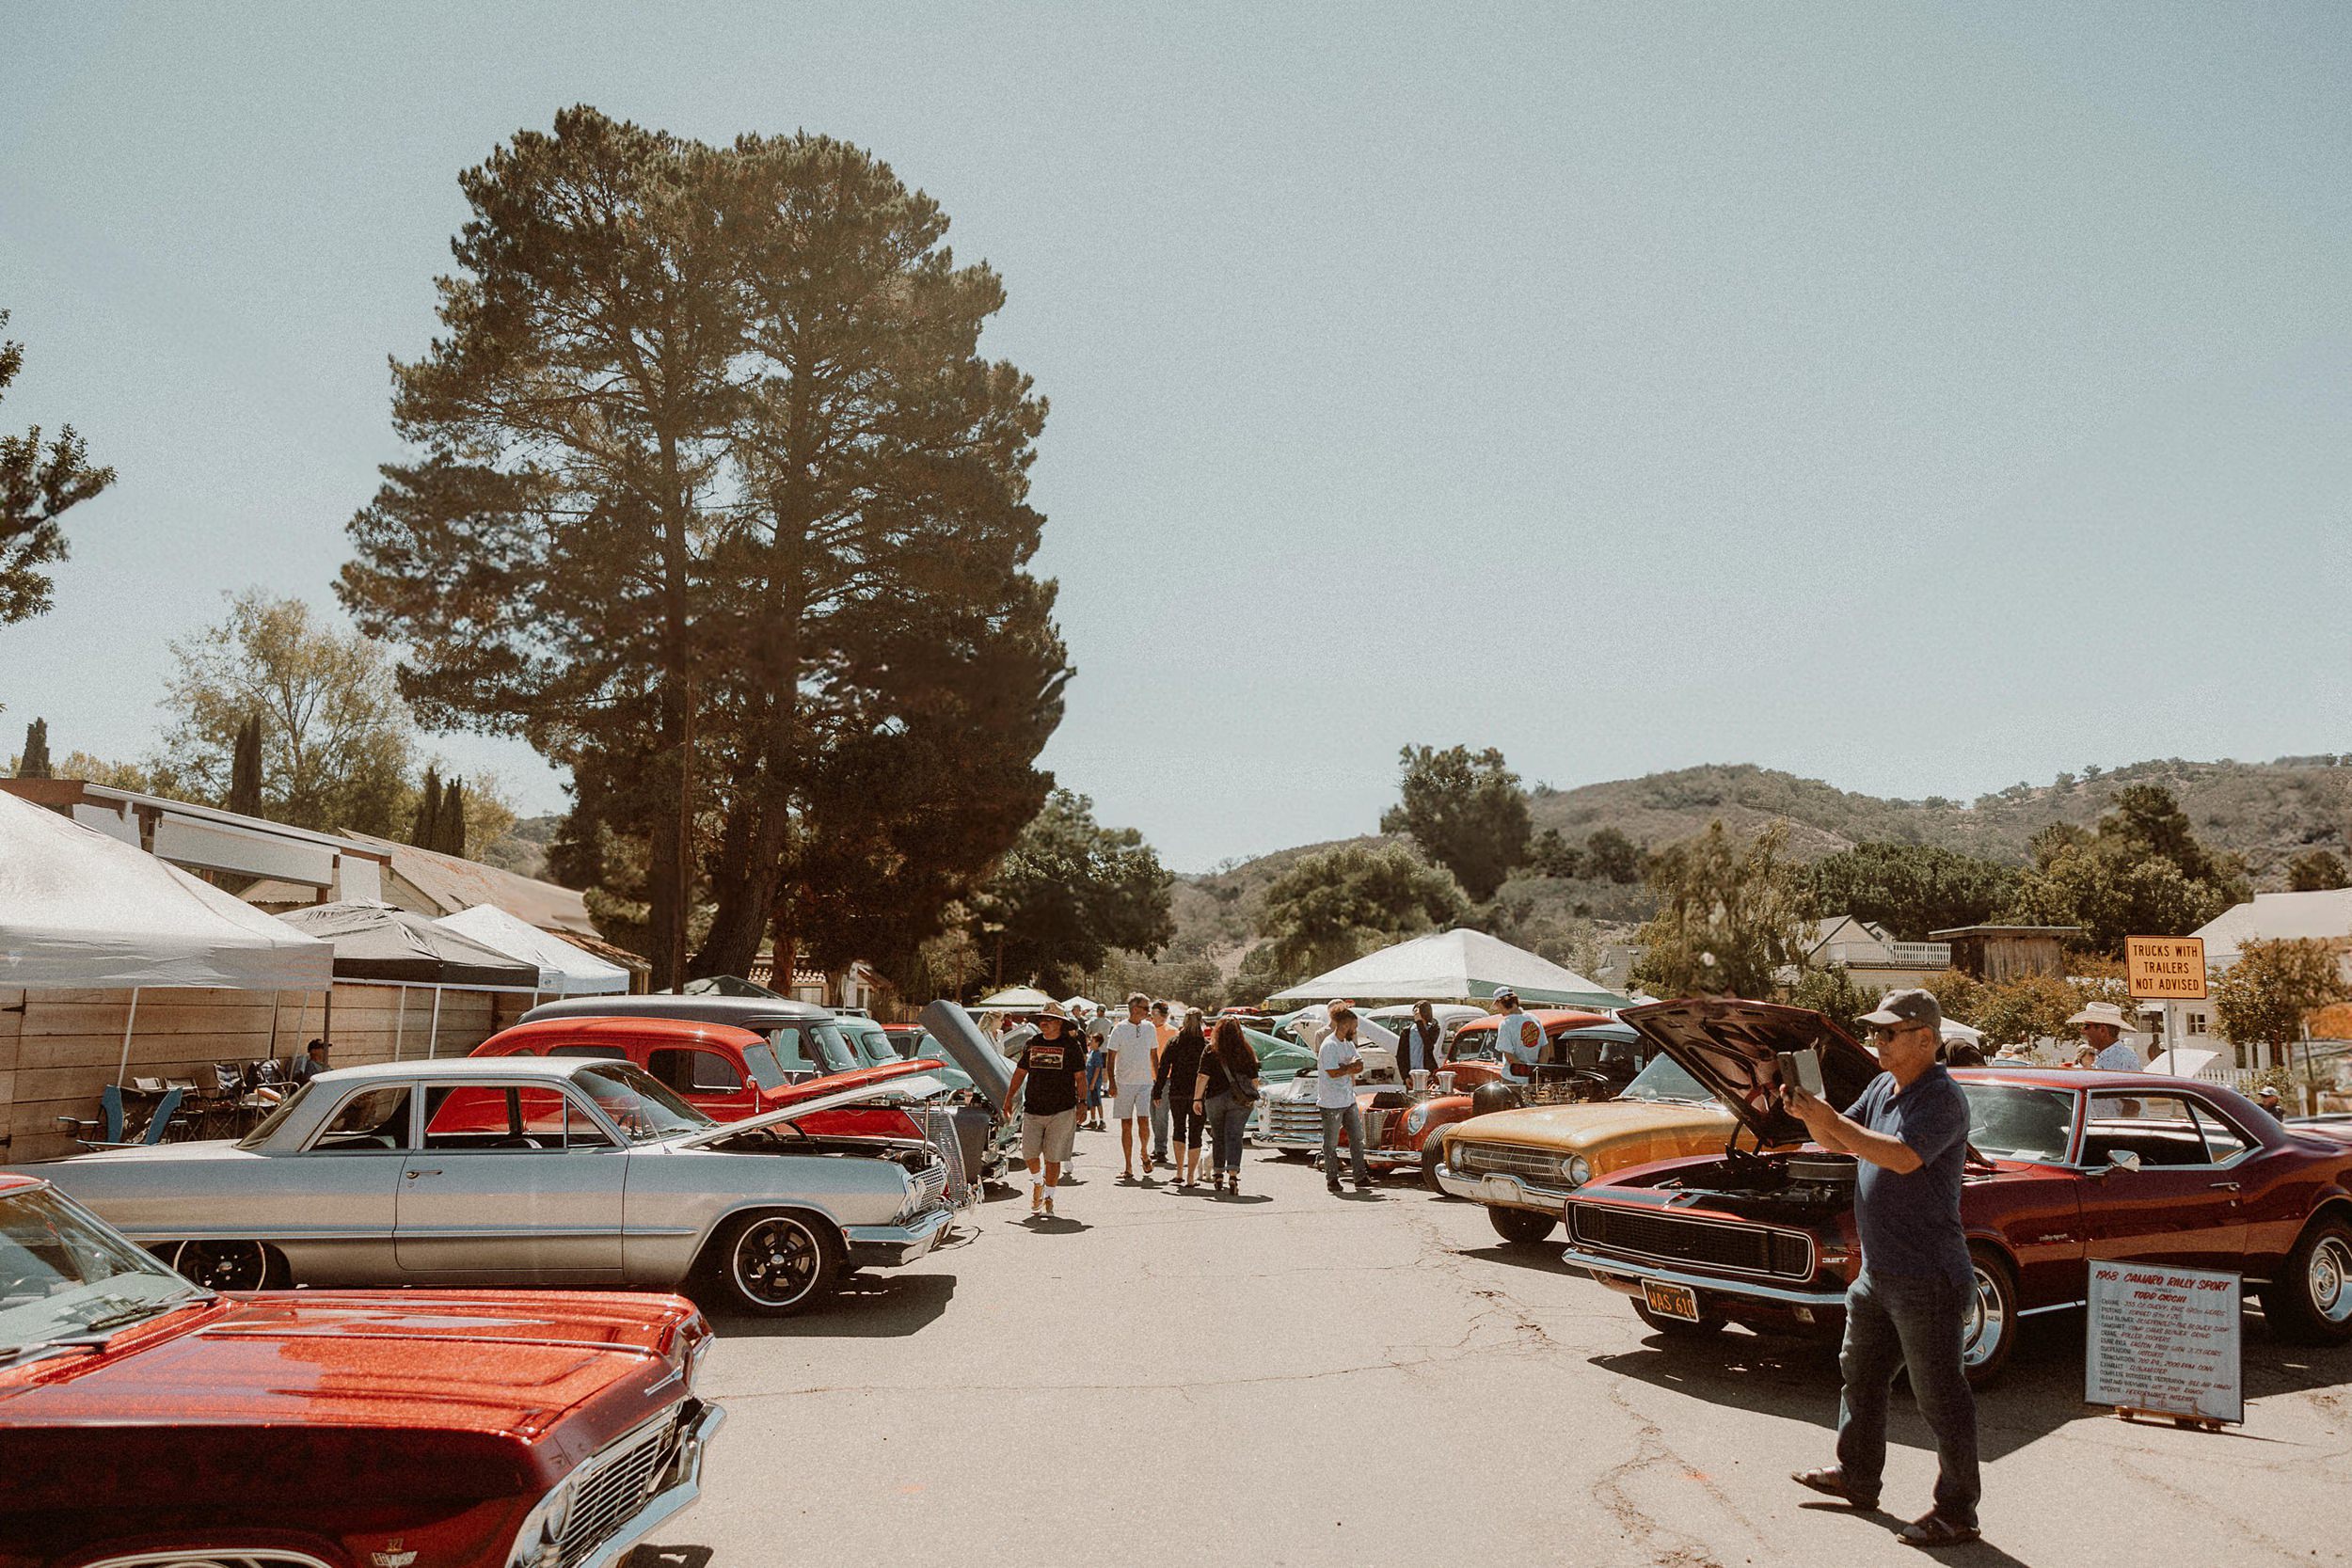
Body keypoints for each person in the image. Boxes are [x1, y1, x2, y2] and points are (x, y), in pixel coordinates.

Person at [1784, 988, 1980, 1549]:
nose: (1877, 1041)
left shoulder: (1941, 1097)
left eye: (1887, 1033)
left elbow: (1898, 1156)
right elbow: (1835, 1142)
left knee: (1941, 1398)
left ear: (1926, 1039)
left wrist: (1827, 1119)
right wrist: (1806, 1110)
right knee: (1860, 1378)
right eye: (1875, 1031)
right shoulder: (1881, 1086)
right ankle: (1857, 1477)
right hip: (1879, 1274)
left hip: (1928, 1276)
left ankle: (1957, 1512)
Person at [1005, 1005, 1090, 1218]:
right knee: (1029, 1153)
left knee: (1053, 1158)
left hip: (1062, 1109)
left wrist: (1083, 1103)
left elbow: (1080, 1077)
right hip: (1033, 1108)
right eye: (1042, 1019)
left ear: (1060, 1023)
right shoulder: (1033, 1043)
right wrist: (1009, 1098)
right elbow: (1020, 1072)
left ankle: (1049, 1197)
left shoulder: (1071, 1046)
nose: (1044, 1022)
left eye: (1050, 1019)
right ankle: (1037, 1183)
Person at [1315, 1005, 1375, 1195]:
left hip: (1348, 1099)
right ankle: (1332, 1178)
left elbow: (1359, 1063)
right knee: (1331, 1143)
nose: (1355, 1031)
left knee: (1357, 1139)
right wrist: (1348, 1068)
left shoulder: (1347, 1044)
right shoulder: (1329, 1045)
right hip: (1331, 1102)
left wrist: (1346, 1067)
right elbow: (1333, 1072)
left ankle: (1360, 1175)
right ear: (1344, 1025)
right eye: (1353, 1027)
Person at [1197, 1019, 1259, 1195]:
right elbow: (1254, 1081)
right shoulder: (1246, 1051)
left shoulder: (1210, 1050)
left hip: (1214, 1099)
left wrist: (1197, 1099)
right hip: (1239, 1101)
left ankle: (1217, 1174)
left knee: (1218, 1136)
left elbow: (1202, 1077)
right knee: (1235, 1136)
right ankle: (1232, 1174)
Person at [1104, 993, 1160, 1179]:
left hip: (1145, 1082)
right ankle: (1128, 1166)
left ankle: (1144, 1152)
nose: (1148, 1011)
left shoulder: (1150, 1028)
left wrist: (1158, 1083)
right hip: (1124, 1084)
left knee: (1144, 1121)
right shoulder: (1119, 1029)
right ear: (1135, 1009)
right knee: (1126, 1125)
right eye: (1145, 1008)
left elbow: (1154, 1056)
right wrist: (1111, 1083)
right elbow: (1110, 1058)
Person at [1155, 1010, 1208, 1186]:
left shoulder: (1174, 1042)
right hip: (1198, 1096)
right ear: (1201, 1022)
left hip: (1177, 1092)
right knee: (1195, 1133)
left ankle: (1179, 1172)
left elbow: (1163, 1068)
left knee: (1179, 1129)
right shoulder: (1205, 1045)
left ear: (1184, 1021)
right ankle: (1191, 1177)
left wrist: (1157, 1091)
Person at [1491, 990, 1545, 1086]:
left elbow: (1509, 1057)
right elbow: (1546, 1048)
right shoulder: (1534, 1018)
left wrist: (1526, 1073)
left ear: (1501, 1003)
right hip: (1534, 1079)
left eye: (1498, 1005)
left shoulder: (1505, 1024)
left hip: (1513, 1077)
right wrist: (1538, 1072)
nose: (1498, 1009)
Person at [2070, 1002, 2142, 1072]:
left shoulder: (2122, 1059)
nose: (2083, 1031)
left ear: (2102, 1030)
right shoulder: (2105, 1055)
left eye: (2086, 1027)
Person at [1148, 1000, 1176, 1168]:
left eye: (1155, 1013)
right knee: (1152, 1114)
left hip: (1166, 1079)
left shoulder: (1173, 1031)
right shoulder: (1146, 1029)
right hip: (1147, 1078)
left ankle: (1161, 1150)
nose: (1153, 1016)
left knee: (1162, 1114)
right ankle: (1158, 1145)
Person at [1397, 1001, 1447, 1082]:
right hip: (1412, 1075)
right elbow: (1401, 1056)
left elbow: (1428, 1044)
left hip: (1428, 1074)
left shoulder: (1434, 1029)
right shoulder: (1407, 1031)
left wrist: (1420, 1023)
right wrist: (1405, 1077)